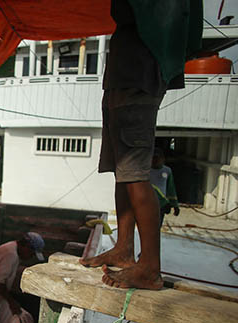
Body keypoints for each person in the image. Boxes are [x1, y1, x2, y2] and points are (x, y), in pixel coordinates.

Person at [80, 0, 202, 290]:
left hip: (137, 79)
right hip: (123, 79)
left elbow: (127, 11)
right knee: (122, 171)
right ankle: (124, 248)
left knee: (135, 174)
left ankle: (150, 267)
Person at [150, 147, 180, 228]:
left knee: (157, 226)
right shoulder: (146, 171)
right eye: (153, 158)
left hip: (161, 203)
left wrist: (175, 205)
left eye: (157, 158)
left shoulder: (167, 170)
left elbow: (171, 188)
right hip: (148, 203)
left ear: (163, 159)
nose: (155, 160)